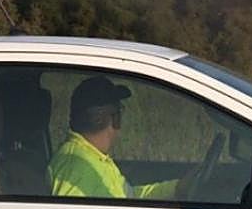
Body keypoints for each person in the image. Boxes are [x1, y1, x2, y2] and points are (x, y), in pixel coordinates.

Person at [49, 75, 180, 199]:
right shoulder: (77, 165)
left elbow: (131, 197)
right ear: (100, 117)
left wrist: (178, 187)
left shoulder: (95, 157)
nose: (120, 118)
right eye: (118, 111)